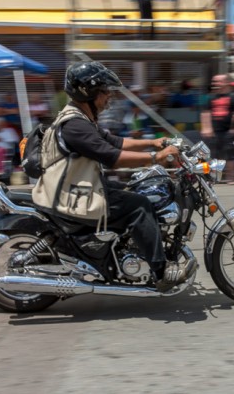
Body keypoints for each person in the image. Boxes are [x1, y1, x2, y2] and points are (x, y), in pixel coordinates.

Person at [34, 61, 195, 292]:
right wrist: (156, 157)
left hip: (76, 187)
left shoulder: (80, 118)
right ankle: (161, 273)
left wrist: (153, 142)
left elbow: (114, 141)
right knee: (139, 206)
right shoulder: (75, 125)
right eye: (104, 91)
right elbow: (112, 156)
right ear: (87, 92)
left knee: (133, 189)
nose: (109, 95)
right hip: (71, 196)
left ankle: (123, 249)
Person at [199, 74, 234, 182]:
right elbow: (205, 113)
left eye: (218, 81)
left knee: (229, 155)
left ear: (226, 83)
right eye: (214, 81)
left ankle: (231, 177)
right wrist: (206, 128)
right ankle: (209, 177)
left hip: (227, 131)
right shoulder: (209, 97)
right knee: (208, 155)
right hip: (212, 131)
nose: (215, 84)